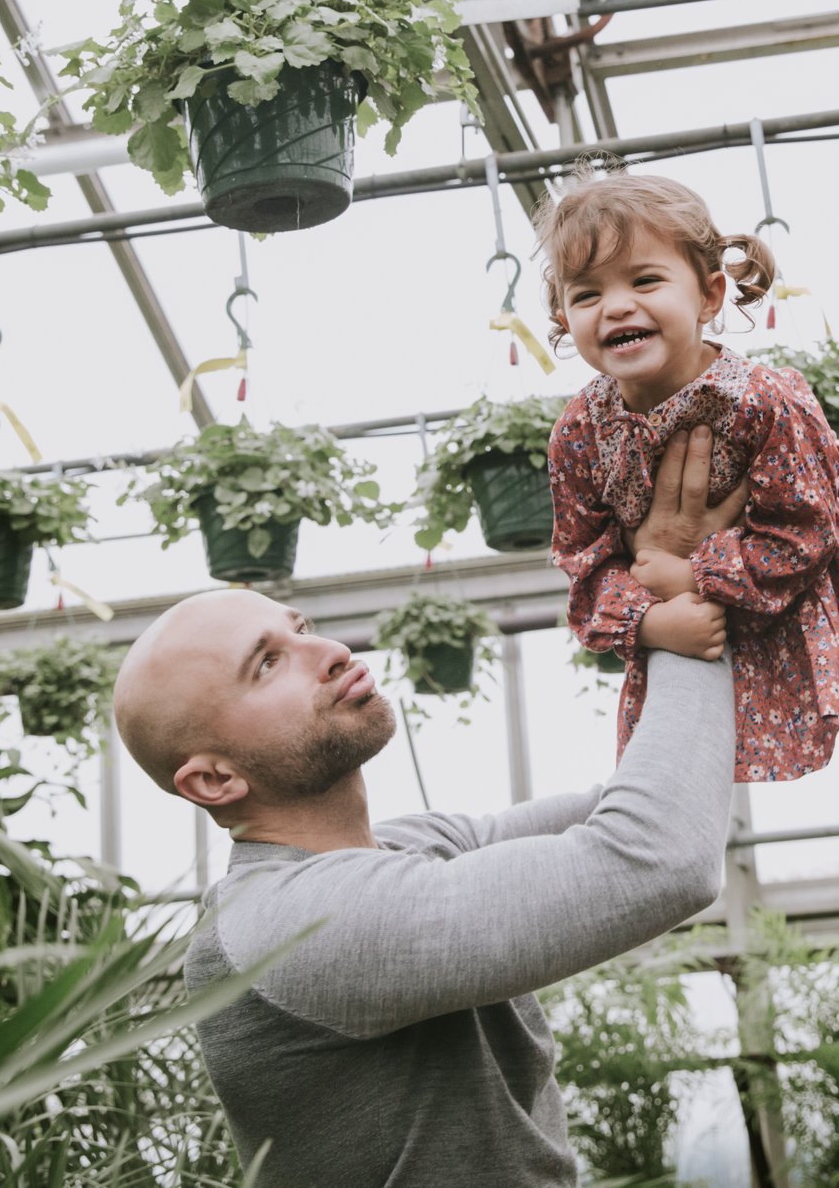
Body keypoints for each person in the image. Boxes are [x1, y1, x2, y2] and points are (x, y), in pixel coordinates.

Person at [109, 429, 745, 1187]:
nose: (333, 651)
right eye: (268, 662)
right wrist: (689, 592)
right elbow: (658, 857)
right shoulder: (289, 928)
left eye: (299, 628)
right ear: (213, 781)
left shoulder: (406, 850)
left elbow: (658, 800)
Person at [539, 164, 839, 782]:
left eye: (645, 280)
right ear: (564, 318)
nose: (615, 306)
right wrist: (648, 618)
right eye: (586, 294)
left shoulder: (764, 400)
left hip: (807, 520)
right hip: (714, 566)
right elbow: (584, 562)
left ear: (710, 296)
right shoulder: (579, 433)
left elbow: (803, 533)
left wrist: (693, 571)